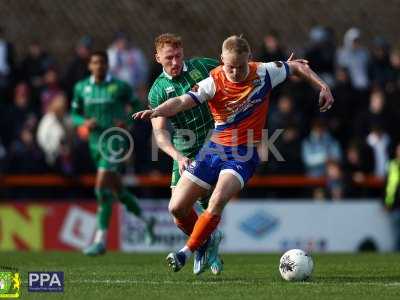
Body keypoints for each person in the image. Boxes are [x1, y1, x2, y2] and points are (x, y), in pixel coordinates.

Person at [133, 35, 334, 274]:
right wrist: (157, 111)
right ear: (221, 62)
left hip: (243, 152)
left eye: (241, 66)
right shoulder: (214, 79)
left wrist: (323, 86)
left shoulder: (264, 72)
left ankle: (185, 253)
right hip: (212, 148)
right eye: (230, 67)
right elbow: (182, 101)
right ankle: (207, 241)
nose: (236, 72)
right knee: (176, 208)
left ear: (250, 59)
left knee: (216, 199)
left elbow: (297, 66)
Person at [148, 33, 223, 275]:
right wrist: (177, 157)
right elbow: (159, 134)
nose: (175, 62)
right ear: (157, 57)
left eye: (178, 55)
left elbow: (235, 72)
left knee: (204, 199)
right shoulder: (157, 91)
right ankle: (205, 242)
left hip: (214, 142)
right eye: (169, 57)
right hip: (184, 150)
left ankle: (203, 242)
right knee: (178, 212)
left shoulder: (203, 66)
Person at [71, 51, 155, 256]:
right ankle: (146, 220)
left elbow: (136, 106)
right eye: (95, 62)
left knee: (101, 188)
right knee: (116, 191)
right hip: (95, 144)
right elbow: (74, 114)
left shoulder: (119, 86)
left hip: (115, 141)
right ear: (90, 66)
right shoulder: (81, 88)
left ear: (107, 65)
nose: (98, 65)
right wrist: (83, 122)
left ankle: (100, 240)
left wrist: (126, 121)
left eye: (102, 62)